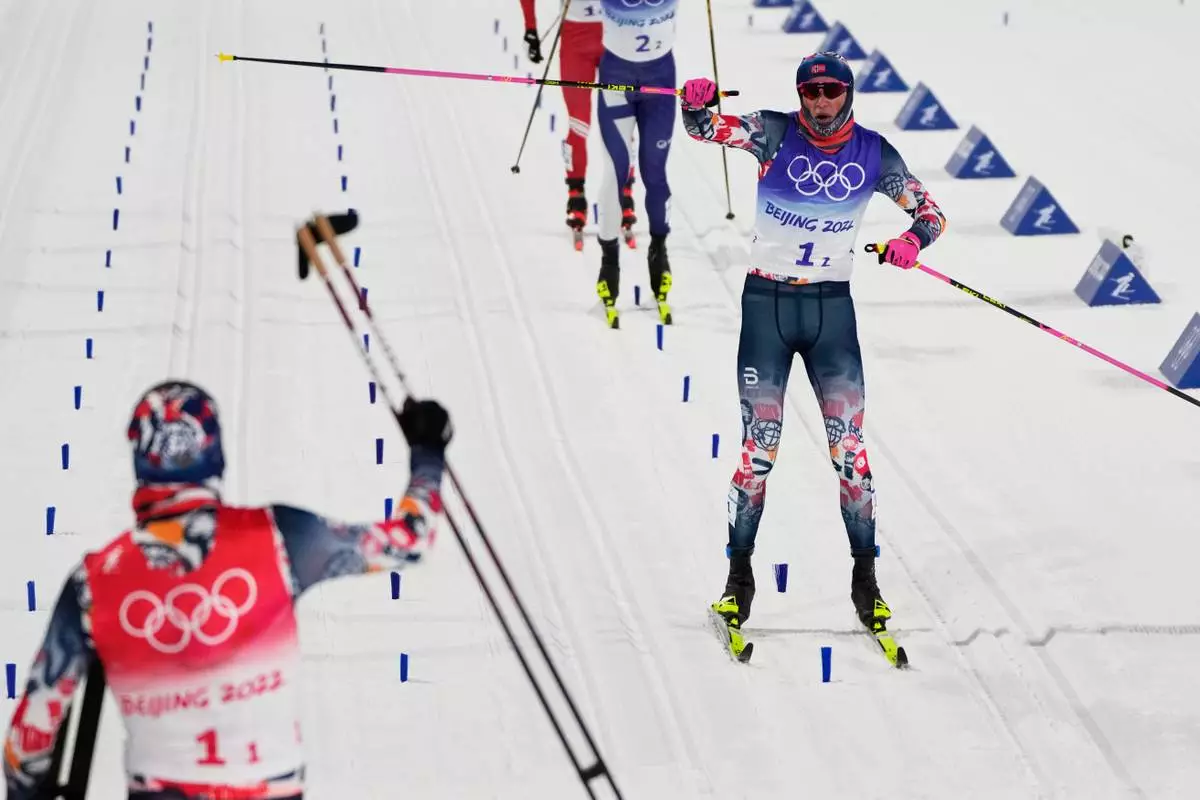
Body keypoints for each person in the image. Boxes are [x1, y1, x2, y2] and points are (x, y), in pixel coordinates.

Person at [4, 381, 453, 799]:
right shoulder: (280, 537)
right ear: (215, 456)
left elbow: (30, 739)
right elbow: (408, 542)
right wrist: (428, 452)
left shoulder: (94, 581)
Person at [679, 52, 947, 662]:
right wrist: (695, 103)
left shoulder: (876, 154)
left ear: (848, 93)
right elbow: (705, 129)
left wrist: (910, 241)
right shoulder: (773, 132)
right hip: (767, 309)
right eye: (811, 93)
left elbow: (931, 214)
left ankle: (866, 583)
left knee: (850, 456)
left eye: (830, 92)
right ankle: (737, 584)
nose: (820, 103)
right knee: (758, 455)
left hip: (831, 313)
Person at [519, 0, 638, 248]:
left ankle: (625, 194)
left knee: (621, 122)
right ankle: (576, 195)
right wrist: (530, 28)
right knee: (578, 123)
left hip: (616, 39)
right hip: (576, 41)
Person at [593, 0, 679, 329]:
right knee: (616, 172)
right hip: (616, 76)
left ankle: (659, 250)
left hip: (660, 78)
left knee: (654, 174)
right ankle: (609, 261)